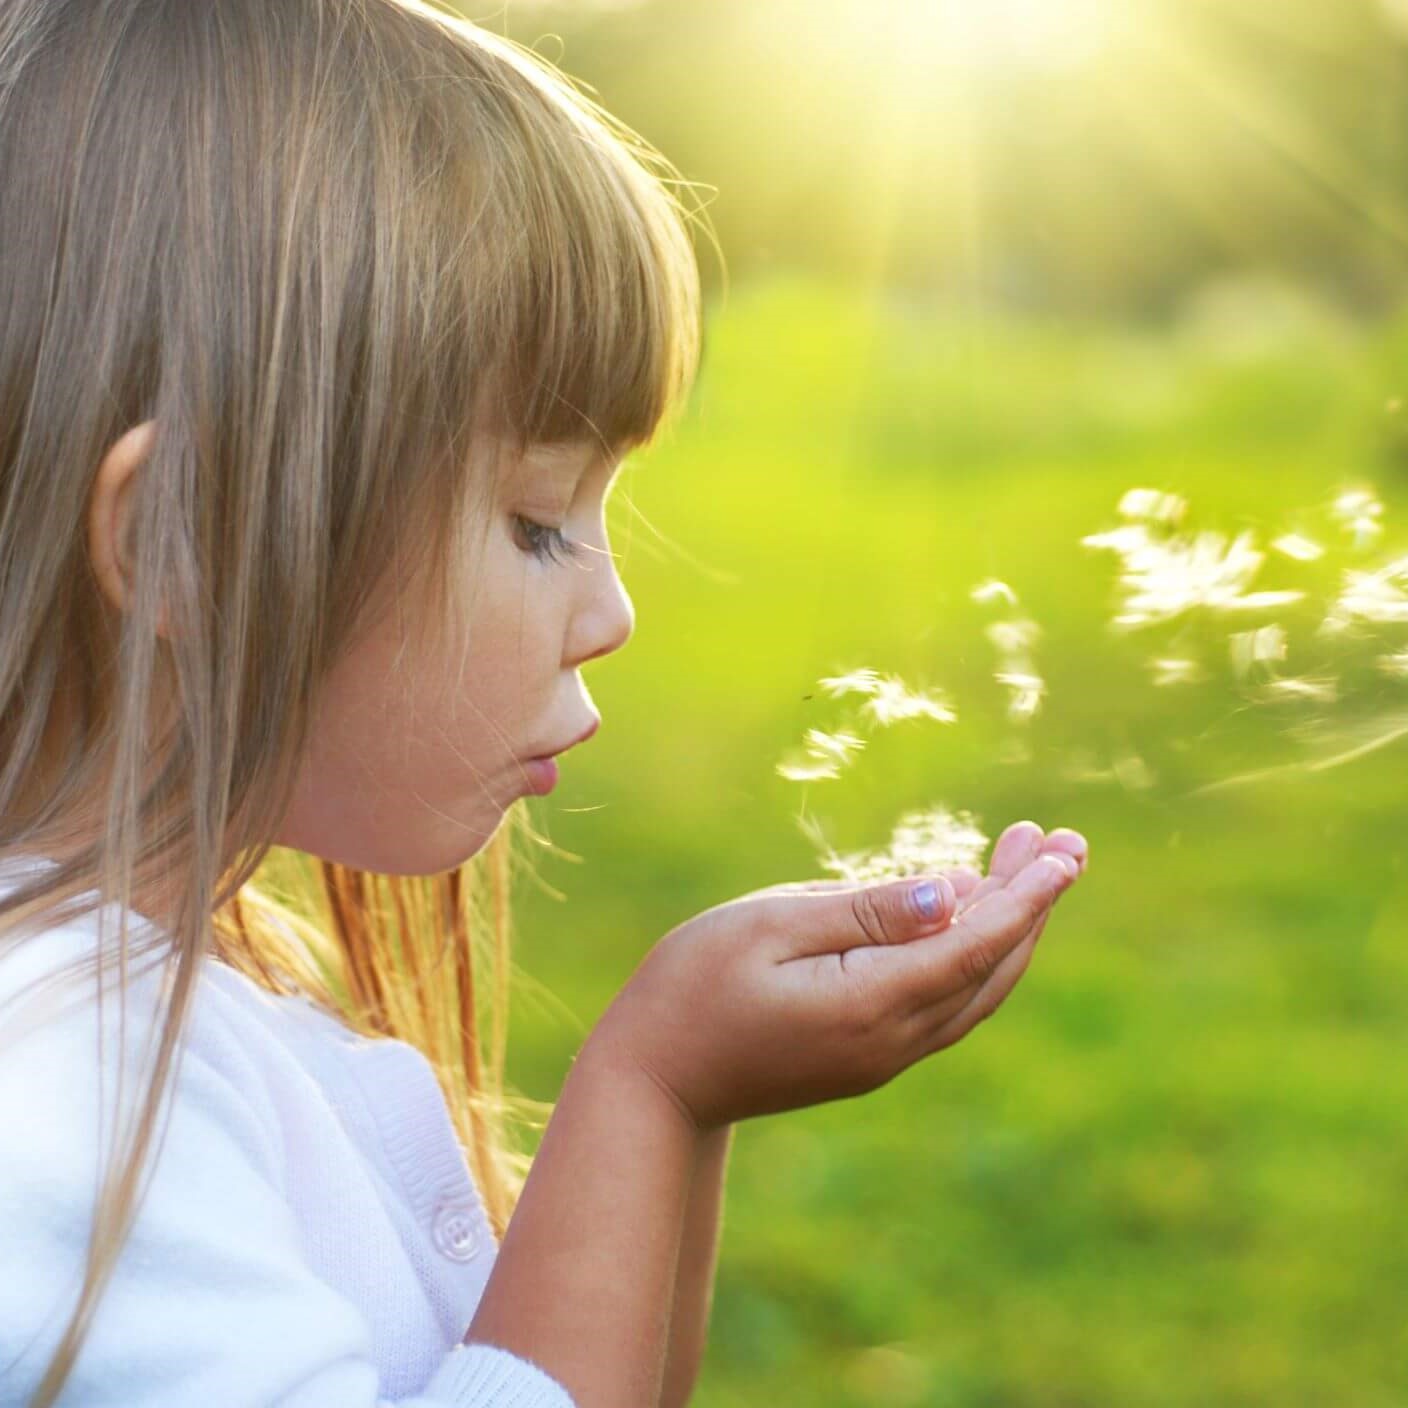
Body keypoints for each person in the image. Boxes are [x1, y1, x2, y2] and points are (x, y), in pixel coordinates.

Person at [0, 2, 1089, 1405]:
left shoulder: (162, 1006)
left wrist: (692, 1113)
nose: (613, 614)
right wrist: (651, 1086)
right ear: (185, 546)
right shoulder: (65, 1091)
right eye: (534, 523)